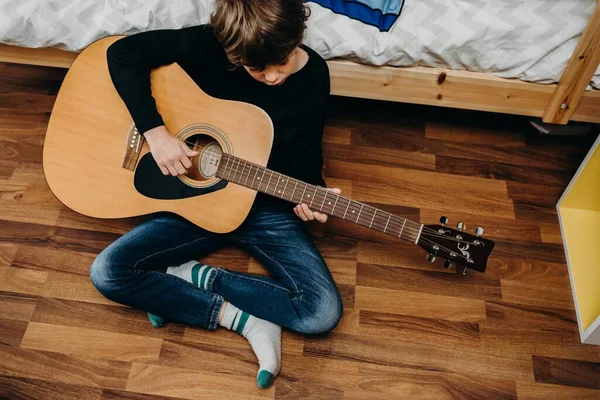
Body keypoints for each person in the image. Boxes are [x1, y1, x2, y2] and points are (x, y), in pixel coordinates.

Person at [89, 0, 343, 389]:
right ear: (232, 52)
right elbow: (122, 53)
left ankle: (190, 278)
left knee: (320, 313)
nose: (274, 77)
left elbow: (307, 152)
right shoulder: (208, 46)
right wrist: (155, 133)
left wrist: (313, 196)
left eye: (284, 60)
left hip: (265, 206)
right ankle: (242, 318)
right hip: (195, 203)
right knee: (107, 272)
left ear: (298, 36)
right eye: (257, 68)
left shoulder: (315, 76)